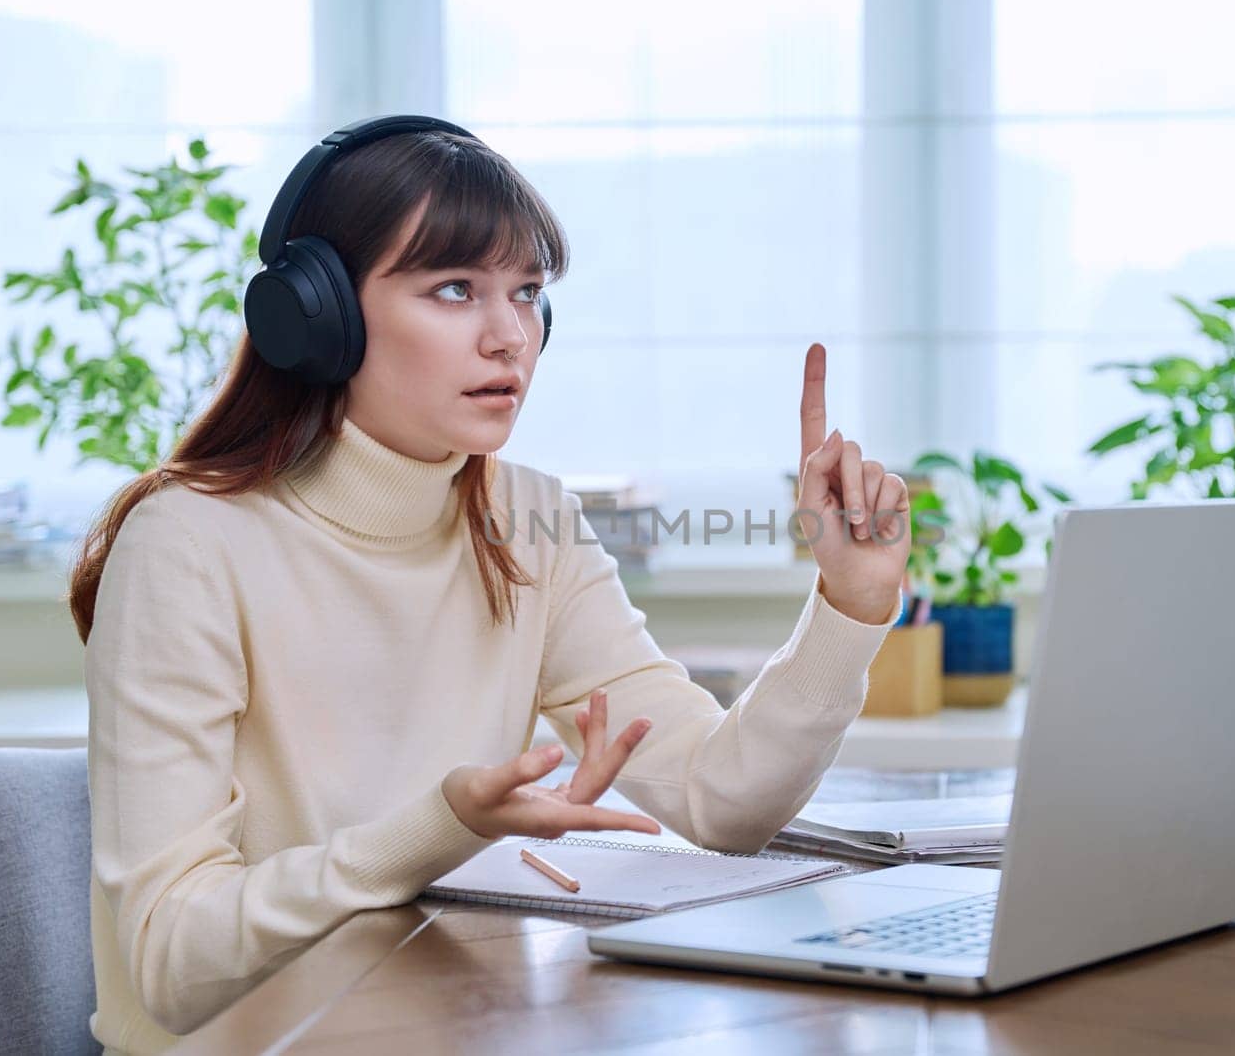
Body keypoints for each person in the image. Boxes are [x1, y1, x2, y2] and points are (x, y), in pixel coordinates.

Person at [72, 116, 910, 1054]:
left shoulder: (529, 524)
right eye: (455, 289)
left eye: (528, 293)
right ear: (319, 316)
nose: (509, 336)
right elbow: (171, 967)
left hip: (448, 1026)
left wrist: (850, 605)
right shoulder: (188, 543)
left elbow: (724, 800)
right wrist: (437, 827)